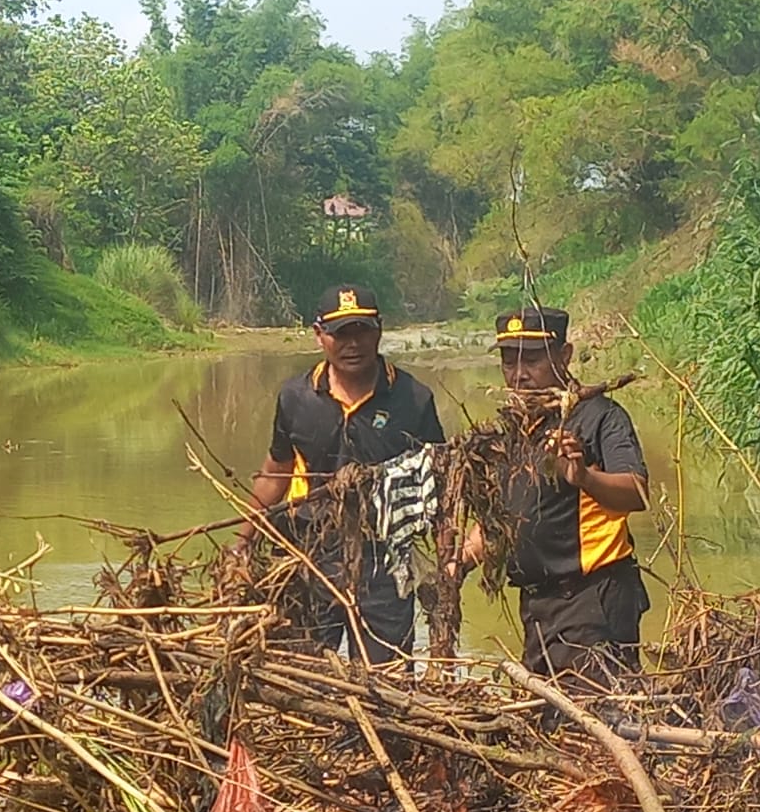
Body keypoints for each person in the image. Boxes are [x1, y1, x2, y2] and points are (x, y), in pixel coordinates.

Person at [235, 284, 445, 664]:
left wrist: (449, 560)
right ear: (319, 336)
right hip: (308, 555)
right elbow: (276, 472)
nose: (353, 344)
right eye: (340, 333)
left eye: (362, 331)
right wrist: (243, 541)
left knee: (386, 678)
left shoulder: (413, 399)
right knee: (301, 673)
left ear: (379, 330)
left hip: (383, 561)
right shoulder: (295, 396)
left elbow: (439, 486)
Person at [464, 306, 650, 689]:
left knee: (596, 721)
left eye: (532, 359)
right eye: (508, 361)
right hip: (536, 606)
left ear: (564, 355)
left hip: (592, 600)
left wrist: (582, 476)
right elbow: (503, 520)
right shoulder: (512, 428)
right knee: (551, 726)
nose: (519, 374)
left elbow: (637, 491)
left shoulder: (599, 417)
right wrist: (461, 560)